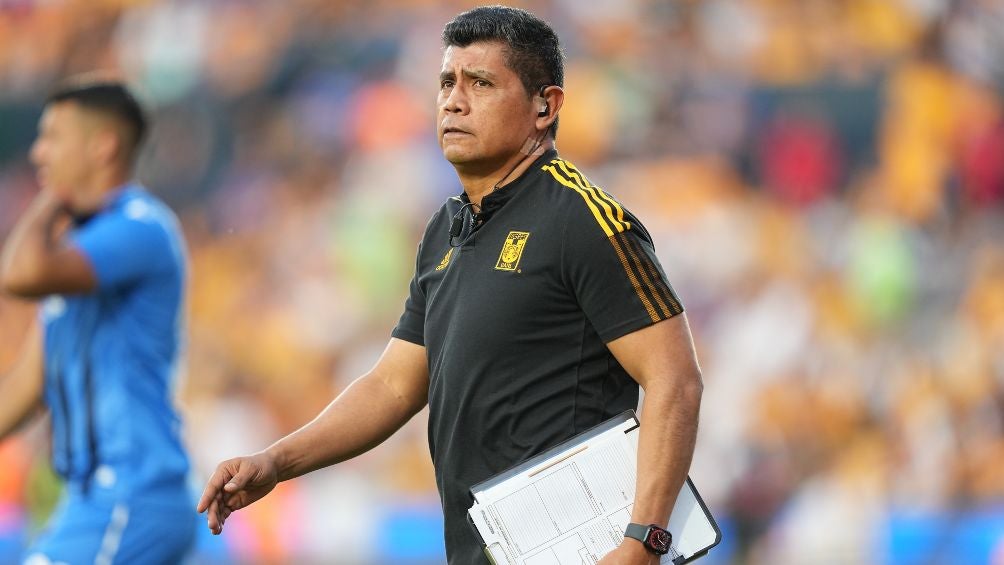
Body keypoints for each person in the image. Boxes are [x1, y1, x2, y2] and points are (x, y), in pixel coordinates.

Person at [198, 6, 703, 564]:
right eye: (446, 83)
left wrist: (646, 539)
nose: (453, 101)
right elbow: (393, 385)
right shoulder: (446, 227)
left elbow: (675, 379)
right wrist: (275, 462)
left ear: (546, 106)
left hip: (582, 550)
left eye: (480, 83)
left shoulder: (581, 219)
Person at [0, 79, 196, 564]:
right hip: (91, 501)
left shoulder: (139, 227)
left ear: (102, 146)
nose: (38, 152)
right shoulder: (78, 254)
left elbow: (19, 275)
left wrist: (52, 198)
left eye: (53, 137)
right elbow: (28, 384)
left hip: (132, 493)